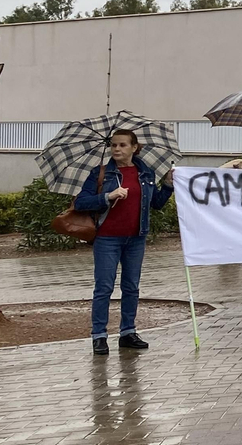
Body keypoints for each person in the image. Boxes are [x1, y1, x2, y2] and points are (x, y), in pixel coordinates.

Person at [73, 129, 174, 355]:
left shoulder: (144, 172)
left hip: (136, 238)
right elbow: (81, 203)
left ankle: (128, 332)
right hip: (107, 238)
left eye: (122, 145)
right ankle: (99, 336)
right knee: (104, 288)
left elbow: (156, 203)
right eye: (114, 145)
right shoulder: (102, 173)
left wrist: (167, 185)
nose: (117, 149)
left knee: (131, 287)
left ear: (134, 147)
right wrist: (108, 196)